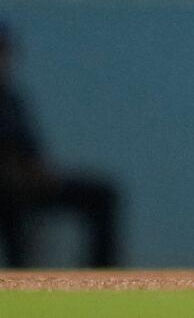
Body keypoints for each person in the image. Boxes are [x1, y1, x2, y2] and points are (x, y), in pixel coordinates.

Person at [0, 19, 122, 267]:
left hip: (29, 183)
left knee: (102, 195)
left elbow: (31, 150)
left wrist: (40, 172)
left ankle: (101, 279)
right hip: (8, 188)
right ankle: (20, 280)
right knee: (9, 198)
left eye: (4, 51)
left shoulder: (12, 97)